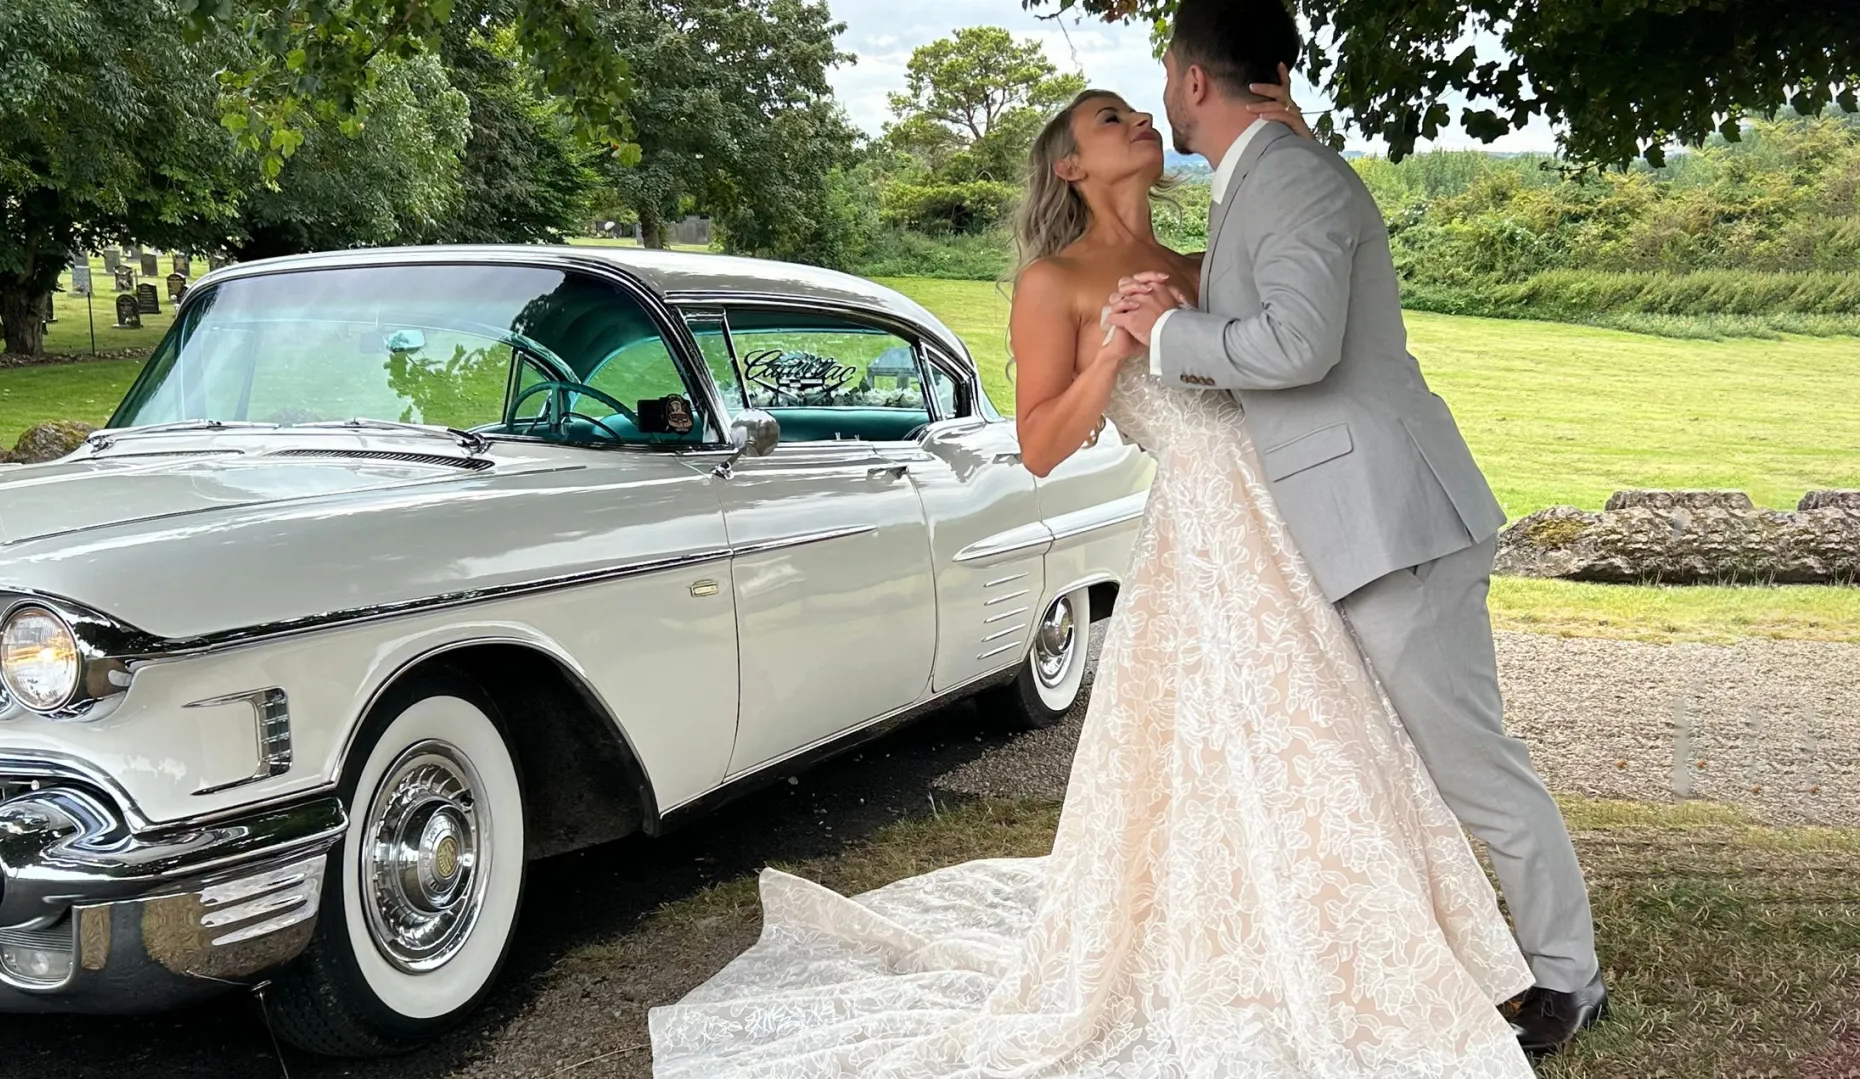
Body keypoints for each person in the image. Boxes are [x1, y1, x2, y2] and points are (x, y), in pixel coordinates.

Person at [647, 6, 1563, 1076]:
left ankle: (1353, 942)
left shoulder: (1200, 256)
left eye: (1141, 101)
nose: (1137, 114)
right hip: (1203, 543)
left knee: (1328, 748)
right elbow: (1040, 441)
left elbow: (1287, 321)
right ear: (1072, 167)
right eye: (1107, 116)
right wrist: (1115, 349)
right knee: (1228, 749)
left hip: (1296, 529)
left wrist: (1282, 145)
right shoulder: (1056, 283)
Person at [1105, 0, 1606, 1059]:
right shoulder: (1270, 175)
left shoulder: (1288, 177)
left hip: (1395, 525)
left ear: (1193, 79)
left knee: (1469, 763)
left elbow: (1296, 345)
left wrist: (1167, 333)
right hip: (1350, 528)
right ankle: (1448, 955)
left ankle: (1569, 976)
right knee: (1385, 766)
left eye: (1164, 73)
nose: (1161, 93)